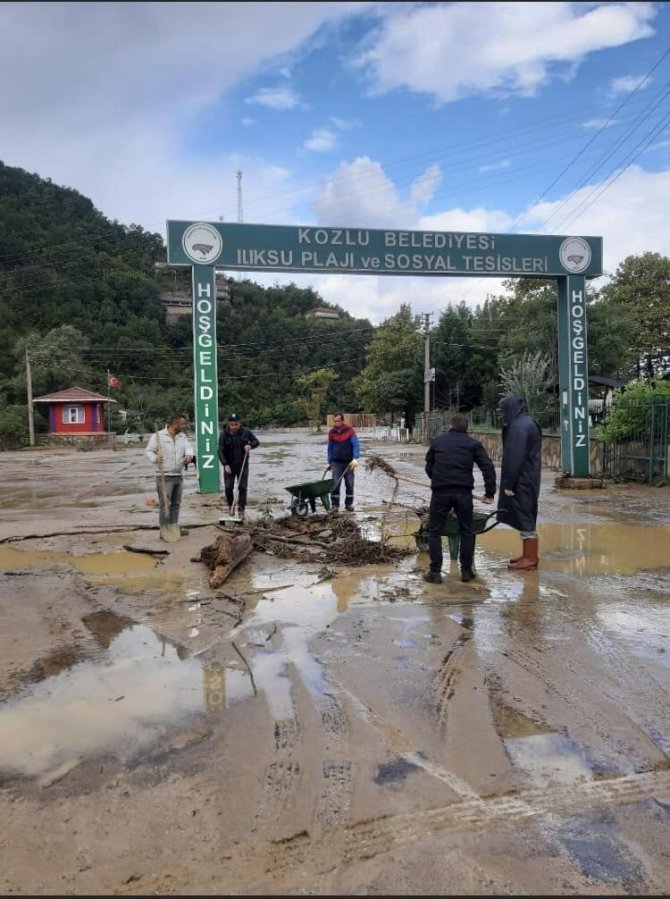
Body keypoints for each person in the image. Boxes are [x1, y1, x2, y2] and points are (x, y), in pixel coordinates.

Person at [424, 413, 496, 584]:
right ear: (466, 428)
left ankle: (435, 573)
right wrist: (489, 493)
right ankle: (465, 571)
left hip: (441, 492)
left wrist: (438, 479)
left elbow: (429, 467)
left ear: (450, 425)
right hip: (464, 493)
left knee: (434, 531)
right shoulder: (473, 444)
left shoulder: (438, 441)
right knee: (466, 531)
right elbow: (488, 468)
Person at [498, 394, 542, 571]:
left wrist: (509, 484)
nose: (503, 415)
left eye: (504, 411)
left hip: (522, 480)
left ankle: (530, 558)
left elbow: (515, 457)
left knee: (525, 517)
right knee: (525, 515)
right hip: (527, 477)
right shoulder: (525, 423)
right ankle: (527, 555)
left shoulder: (520, 427)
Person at [145, 413, 194, 535]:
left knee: (176, 504)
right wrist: (155, 458)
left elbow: (189, 448)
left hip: (178, 474)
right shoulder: (159, 436)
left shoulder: (182, 436)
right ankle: (164, 530)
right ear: (175, 424)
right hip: (164, 475)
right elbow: (148, 451)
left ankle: (173, 527)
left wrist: (189, 455)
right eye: (182, 424)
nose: (184, 426)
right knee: (165, 505)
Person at [217, 412, 260, 520]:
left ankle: (241, 510)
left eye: (236, 424)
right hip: (229, 465)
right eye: (232, 425)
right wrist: (225, 464)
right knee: (228, 487)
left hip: (243, 464)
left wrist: (250, 445)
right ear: (229, 424)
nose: (234, 427)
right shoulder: (223, 434)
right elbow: (220, 450)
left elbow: (256, 442)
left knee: (242, 488)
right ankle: (230, 507)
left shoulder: (246, 432)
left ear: (240, 423)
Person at [327, 412, 360, 512]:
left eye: (338, 421)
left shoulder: (350, 431)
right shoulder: (332, 432)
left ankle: (349, 504)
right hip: (336, 463)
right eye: (335, 421)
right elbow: (330, 447)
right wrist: (330, 461)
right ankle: (335, 505)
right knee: (335, 484)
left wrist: (355, 458)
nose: (336, 423)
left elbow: (356, 445)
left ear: (342, 421)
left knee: (350, 483)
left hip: (349, 462)